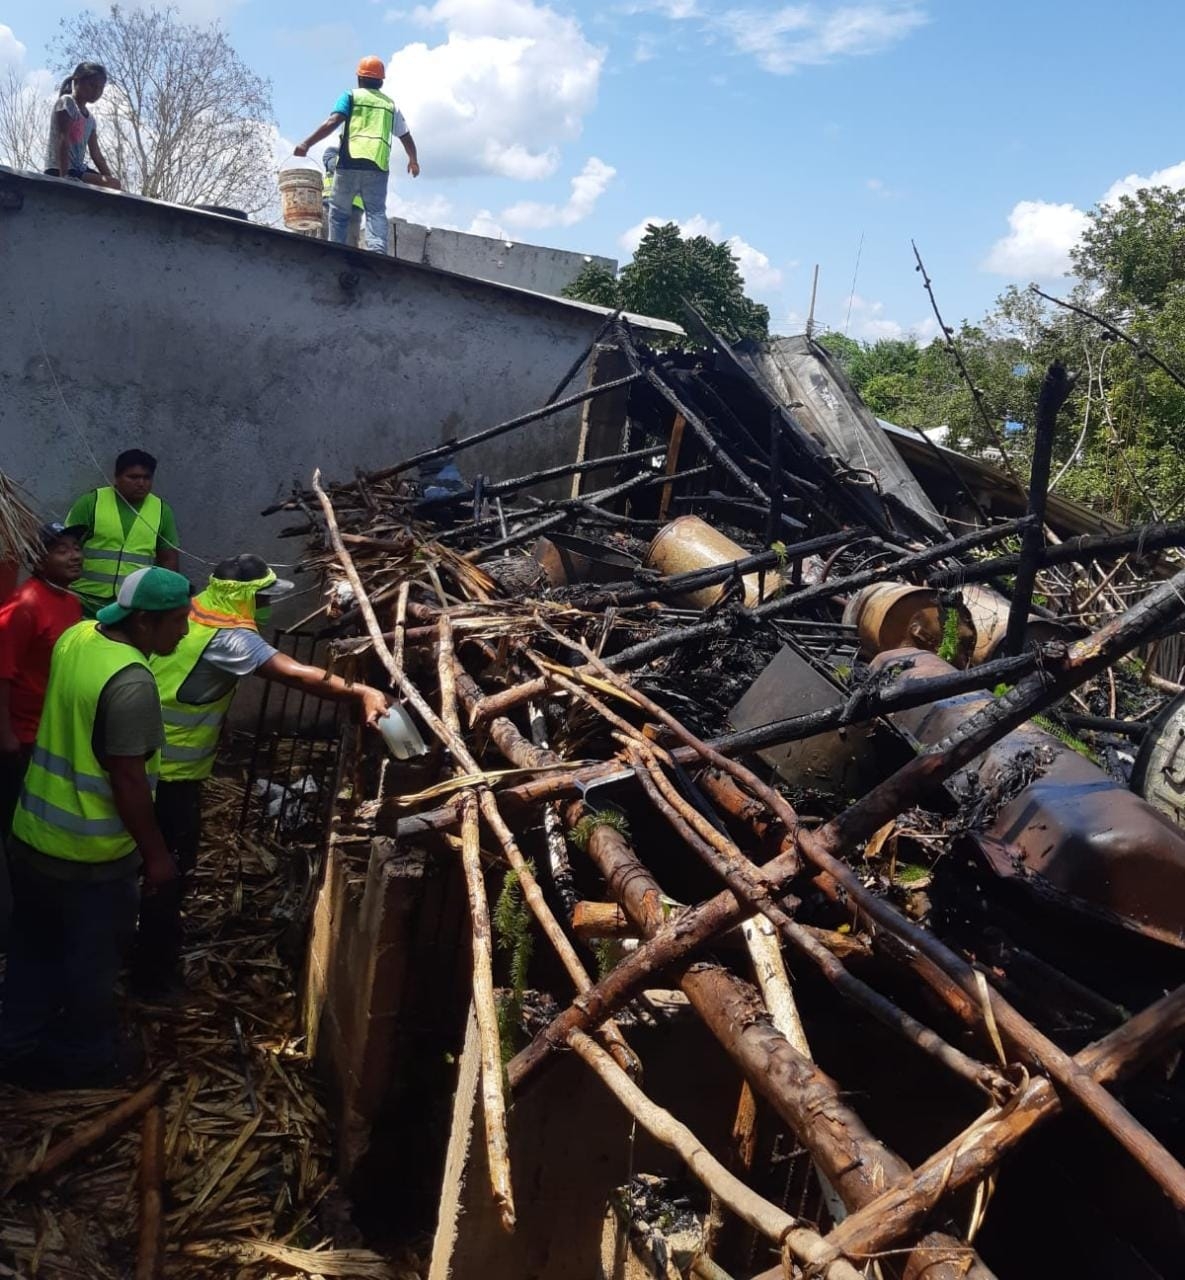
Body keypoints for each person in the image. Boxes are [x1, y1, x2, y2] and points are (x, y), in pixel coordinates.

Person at [133, 554, 390, 997]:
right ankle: (152, 973)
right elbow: (295, 674)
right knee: (168, 868)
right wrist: (362, 691)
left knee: (138, 862)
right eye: (264, 597)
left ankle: (140, 939)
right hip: (171, 771)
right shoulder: (229, 637)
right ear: (246, 598)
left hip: (138, 757)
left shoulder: (193, 608)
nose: (268, 605)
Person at [0, 567, 191, 1088]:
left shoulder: (77, 637)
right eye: (178, 621)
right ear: (146, 623)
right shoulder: (131, 683)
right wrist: (156, 855)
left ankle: (15, 1045)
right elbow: (128, 780)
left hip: (33, 834)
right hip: (90, 857)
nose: (185, 632)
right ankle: (84, 1058)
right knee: (92, 964)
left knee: (32, 947)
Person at [0, 523, 86, 836]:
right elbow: (2, 674)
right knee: (13, 814)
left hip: (49, 728)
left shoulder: (71, 602)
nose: (75, 556)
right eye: (62, 550)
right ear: (38, 559)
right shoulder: (24, 606)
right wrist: (6, 735)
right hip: (22, 735)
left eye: (77, 548)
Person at [294, 56, 420, 254]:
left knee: (338, 212)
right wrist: (413, 160)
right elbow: (406, 136)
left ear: (359, 78)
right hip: (377, 167)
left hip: (348, 163)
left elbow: (333, 122)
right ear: (381, 81)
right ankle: (378, 253)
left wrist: (306, 143)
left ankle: (336, 251)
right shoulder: (389, 105)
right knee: (376, 212)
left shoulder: (351, 96)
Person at [66, 450, 181, 619]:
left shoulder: (162, 510)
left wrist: (166, 600)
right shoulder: (92, 502)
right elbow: (66, 546)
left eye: (146, 477)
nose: (141, 483)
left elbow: (168, 560)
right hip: (84, 600)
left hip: (131, 604)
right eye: (133, 477)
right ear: (116, 477)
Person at [44, 62, 121, 189]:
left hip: (78, 171)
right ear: (77, 81)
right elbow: (64, 139)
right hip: (60, 169)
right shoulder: (67, 103)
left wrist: (110, 182)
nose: (96, 92)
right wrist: (64, 178)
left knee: (115, 185)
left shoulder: (90, 120)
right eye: (92, 86)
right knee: (113, 184)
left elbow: (96, 154)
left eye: (100, 88)